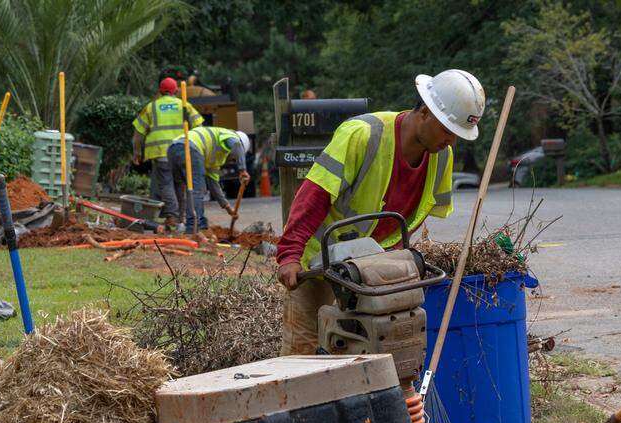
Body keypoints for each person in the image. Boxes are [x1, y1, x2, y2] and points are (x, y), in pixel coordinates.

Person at [274, 69, 486, 356]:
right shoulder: (363, 134)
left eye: (459, 134)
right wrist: (289, 254)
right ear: (424, 112)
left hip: (370, 268)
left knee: (369, 353)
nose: (451, 141)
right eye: (448, 130)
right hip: (316, 262)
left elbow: (418, 213)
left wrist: (392, 261)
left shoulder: (441, 156)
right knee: (305, 356)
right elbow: (314, 196)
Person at [132, 78, 204, 221]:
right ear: (176, 91)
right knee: (180, 185)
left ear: (160, 91)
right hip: (182, 152)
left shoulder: (151, 107)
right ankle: (180, 218)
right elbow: (200, 128)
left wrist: (137, 153)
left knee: (166, 184)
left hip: (161, 153)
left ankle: (172, 215)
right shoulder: (184, 106)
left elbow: (138, 135)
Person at [166, 126, 251, 232]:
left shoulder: (216, 158)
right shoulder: (230, 135)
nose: (234, 160)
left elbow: (214, 185)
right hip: (191, 148)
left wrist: (229, 208)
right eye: (236, 157)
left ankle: (179, 225)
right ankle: (194, 227)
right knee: (197, 190)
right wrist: (242, 169)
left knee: (184, 188)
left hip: (172, 149)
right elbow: (237, 144)